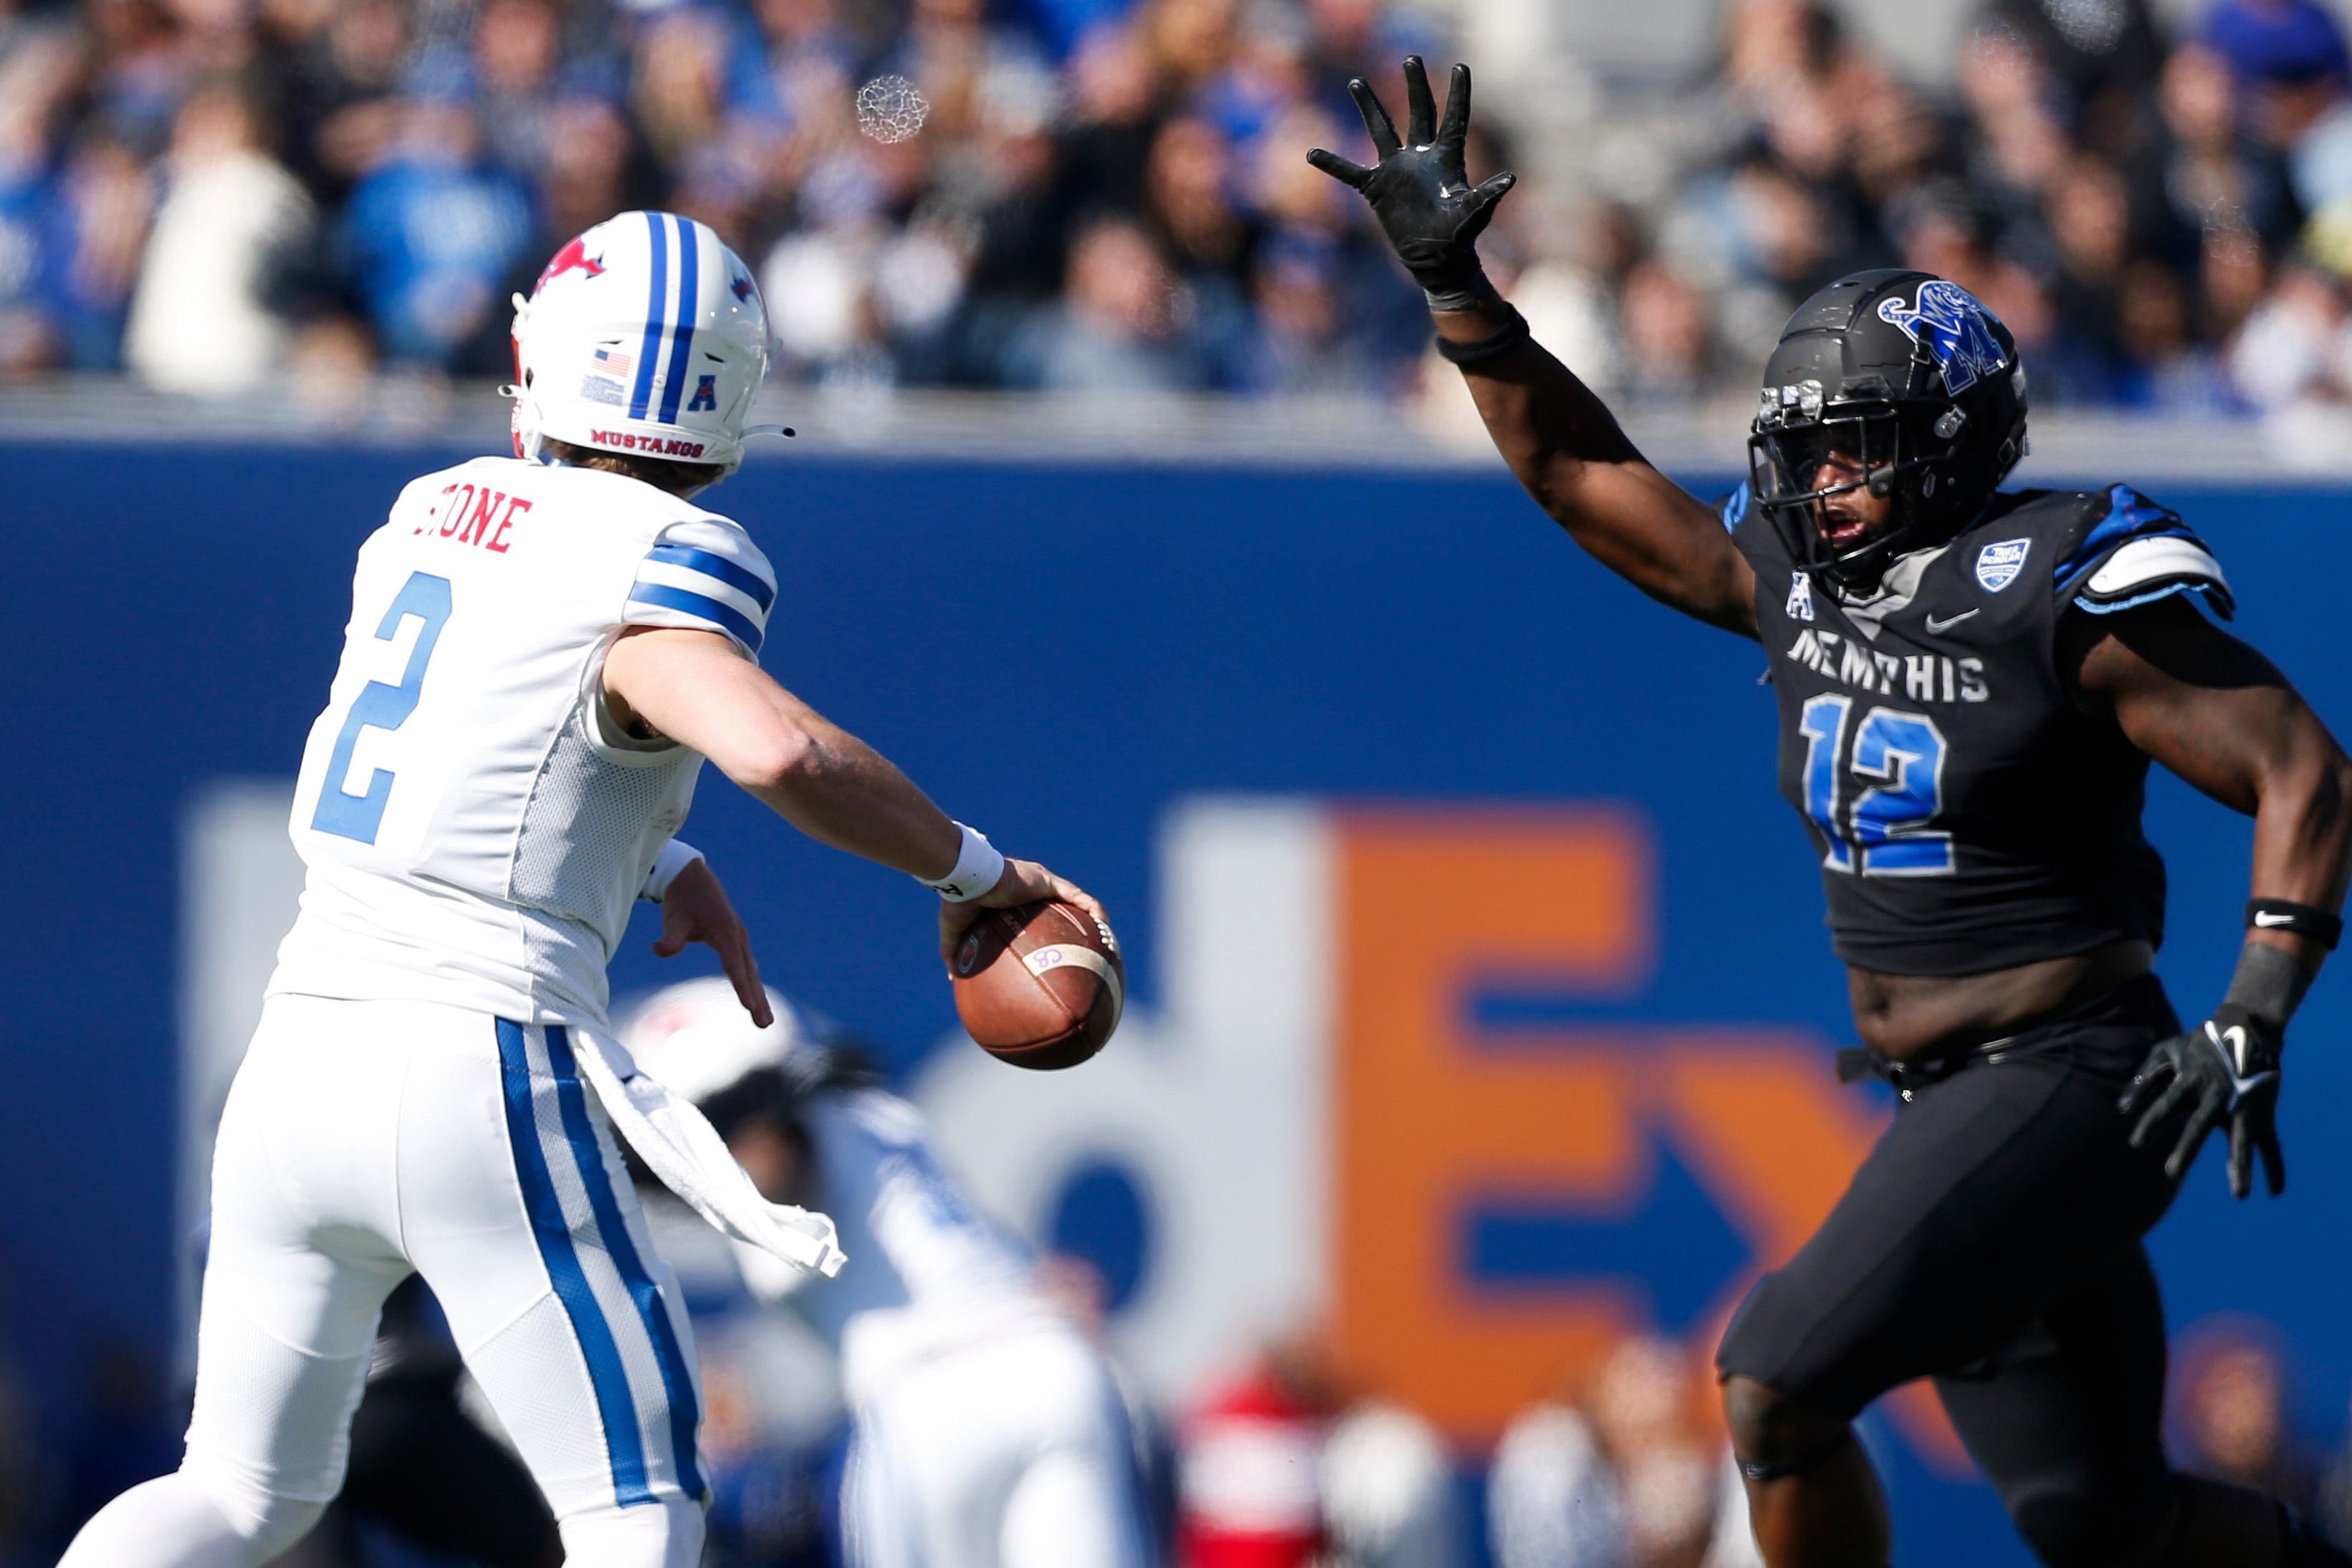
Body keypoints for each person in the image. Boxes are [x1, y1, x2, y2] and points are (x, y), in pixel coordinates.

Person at [1310, 59, 2352, 1568]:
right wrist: (1459, 288)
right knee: (2109, 1525)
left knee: (1775, 1379)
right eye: (1807, 444)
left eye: (1856, 441)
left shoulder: (2053, 582)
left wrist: (2259, 999)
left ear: (1951, 431)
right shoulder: (1800, 581)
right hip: (1956, 1096)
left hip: (2073, 1077)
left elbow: (2303, 766)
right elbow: (1582, 471)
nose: (1823, 477)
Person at [59, 209, 1103, 1568]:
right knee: (633, 1512)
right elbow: (773, 745)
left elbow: (468, 756)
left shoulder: (429, 513)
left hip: (297, 1051)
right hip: (474, 1062)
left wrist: (650, 853)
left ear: (548, 353)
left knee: (237, 1496)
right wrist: (974, 869)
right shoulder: (665, 549)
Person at [618, 977, 1154, 1568]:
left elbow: (774, 1166)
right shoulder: (877, 1115)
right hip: (1056, 1369)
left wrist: (693, 1146)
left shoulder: (786, 1146)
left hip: (932, 1402)